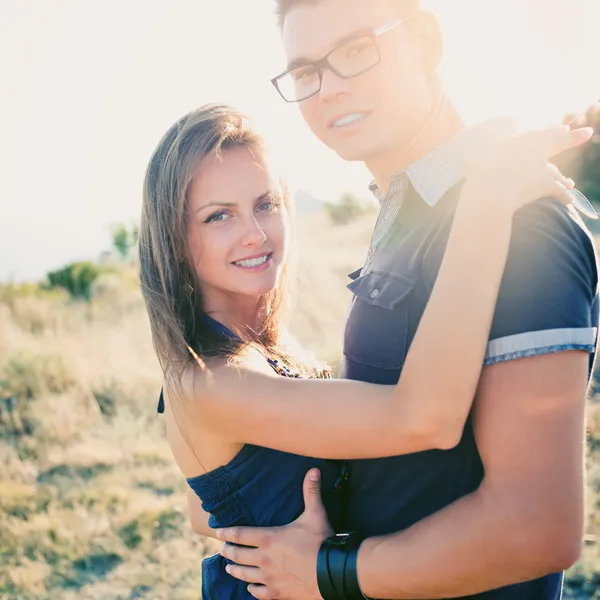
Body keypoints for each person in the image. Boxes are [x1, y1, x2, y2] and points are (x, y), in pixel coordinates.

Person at [211, 2, 600, 599]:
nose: (330, 89)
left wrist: (327, 572)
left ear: (425, 43)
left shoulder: (521, 220)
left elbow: (535, 524)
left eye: (356, 51)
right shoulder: (409, 213)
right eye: (306, 72)